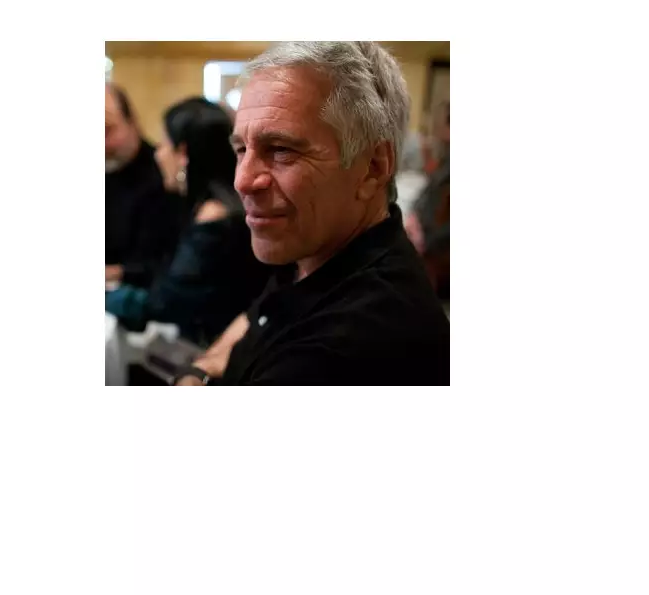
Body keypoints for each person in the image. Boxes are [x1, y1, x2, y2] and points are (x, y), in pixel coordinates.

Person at [173, 41, 450, 386]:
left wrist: (192, 374)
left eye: (280, 150)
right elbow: (257, 315)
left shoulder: (346, 347)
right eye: (241, 149)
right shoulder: (319, 247)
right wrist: (203, 369)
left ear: (373, 169)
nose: (242, 181)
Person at [105, 97, 270, 346]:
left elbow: (164, 302)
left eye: (164, 145)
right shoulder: (218, 206)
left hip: (216, 348)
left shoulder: (214, 219)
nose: (159, 155)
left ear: (183, 153)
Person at [105, 84, 184, 287]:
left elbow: (169, 263)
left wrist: (116, 273)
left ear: (132, 123)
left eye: (106, 130)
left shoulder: (167, 175)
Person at [405, 101, 450, 301]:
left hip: (436, 253)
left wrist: (425, 242)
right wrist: (414, 217)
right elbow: (428, 191)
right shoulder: (446, 161)